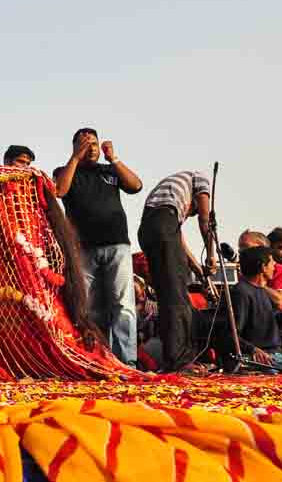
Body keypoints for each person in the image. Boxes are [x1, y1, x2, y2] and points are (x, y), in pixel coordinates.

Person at [53, 128, 144, 366]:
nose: (91, 147)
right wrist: (75, 157)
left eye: (94, 143)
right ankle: (98, 359)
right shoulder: (65, 171)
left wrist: (113, 158)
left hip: (117, 245)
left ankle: (127, 362)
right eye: (85, 143)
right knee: (90, 308)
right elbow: (59, 191)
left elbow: (135, 186)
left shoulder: (109, 170)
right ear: (75, 146)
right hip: (82, 249)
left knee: (123, 304)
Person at [136, 171, 215, 373]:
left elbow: (177, 239)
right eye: (193, 211)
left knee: (169, 294)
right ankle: (180, 361)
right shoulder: (200, 179)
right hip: (162, 227)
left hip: (149, 230)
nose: (192, 214)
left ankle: (174, 358)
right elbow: (206, 221)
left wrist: (197, 269)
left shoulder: (170, 200)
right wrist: (211, 255)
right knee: (177, 298)